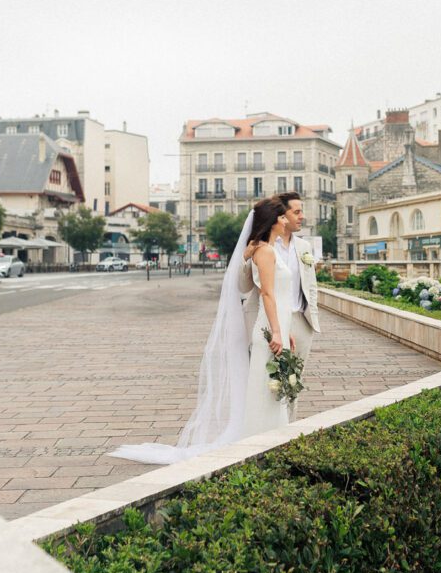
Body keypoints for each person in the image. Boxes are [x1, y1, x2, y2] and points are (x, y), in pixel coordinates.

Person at [110, 197, 297, 465]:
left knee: (269, 388)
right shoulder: (265, 252)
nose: (285, 221)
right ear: (271, 221)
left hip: (277, 326)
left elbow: (276, 292)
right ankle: (259, 442)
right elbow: (267, 293)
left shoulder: (267, 249)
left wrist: (286, 329)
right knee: (265, 388)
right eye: (281, 217)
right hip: (269, 329)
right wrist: (277, 332)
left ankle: (271, 439)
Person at [238, 193, 320, 418]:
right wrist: (245, 259)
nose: (301, 216)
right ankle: (269, 428)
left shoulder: (303, 246)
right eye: (296, 212)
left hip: (299, 320)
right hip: (269, 321)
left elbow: (311, 284)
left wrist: (311, 312)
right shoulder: (262, 248)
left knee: (293, 380)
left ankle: (288, 426)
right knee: (268, 381)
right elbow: (248, 288)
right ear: (280, 216)